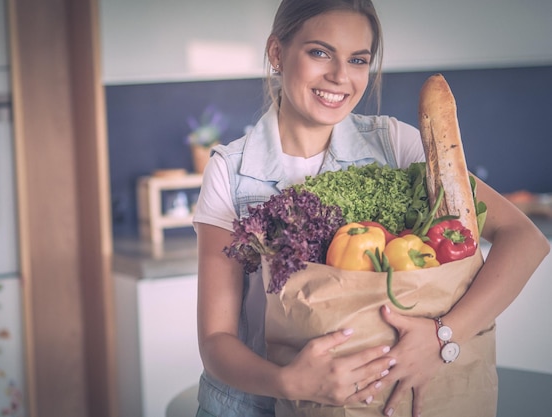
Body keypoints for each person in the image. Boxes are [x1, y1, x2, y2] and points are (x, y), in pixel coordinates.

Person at [192, 0, 550, 416]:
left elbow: (525, 240)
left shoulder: (397, 145)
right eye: (320, 52)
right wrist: (289, 381)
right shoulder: (230, 172)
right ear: (277, 53)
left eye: (358, 60)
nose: (340, 77)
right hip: (253, 407)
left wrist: (442, 337)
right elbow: (216, 341)